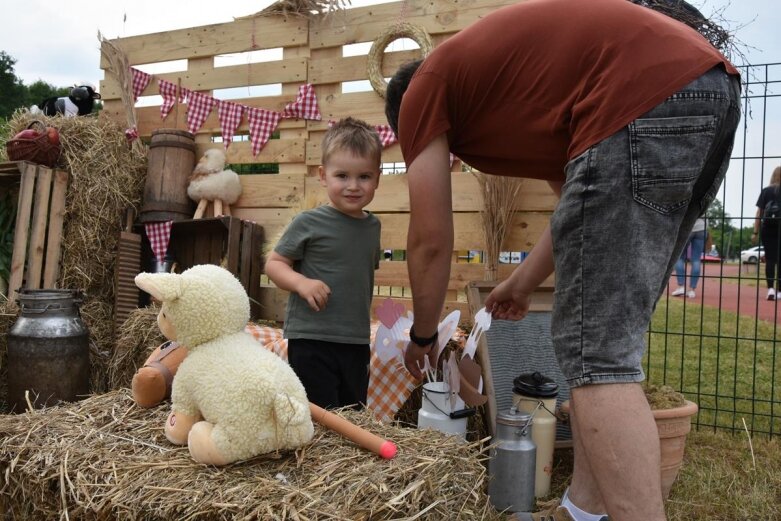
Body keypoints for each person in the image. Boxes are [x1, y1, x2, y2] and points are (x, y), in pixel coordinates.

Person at [384, 1, 740, 520]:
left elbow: (431, 240)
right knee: (606, 348)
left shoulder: (423, 92)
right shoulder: (526, 93)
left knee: (596, 357)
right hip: (705, 89)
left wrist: (421, 335)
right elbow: (572, 210)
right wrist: (523, 283)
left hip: (645, 94)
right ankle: (581, 511)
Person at [264, 117, 382, 409]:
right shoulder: (309, 222)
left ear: (377, 178)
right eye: (342, 175)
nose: (353, 186)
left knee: (352, 412)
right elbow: (274, 264)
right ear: (323, 175)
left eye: (364, 177)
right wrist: (302, 283)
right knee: (320, 414)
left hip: (355, 340)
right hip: (312, 338)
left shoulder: (373, 227)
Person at [753, 166, 781, 301]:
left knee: (770, 259)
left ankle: (770, 289)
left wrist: (755, 231)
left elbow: (759, 213)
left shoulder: (766, 191)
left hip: (768, 228)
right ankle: (780, 290)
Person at [671, 218, 707, 298]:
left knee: (679, 257)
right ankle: (692, 290)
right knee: (696, 259)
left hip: (687, 226)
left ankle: (681, 286)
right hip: (702, 228)